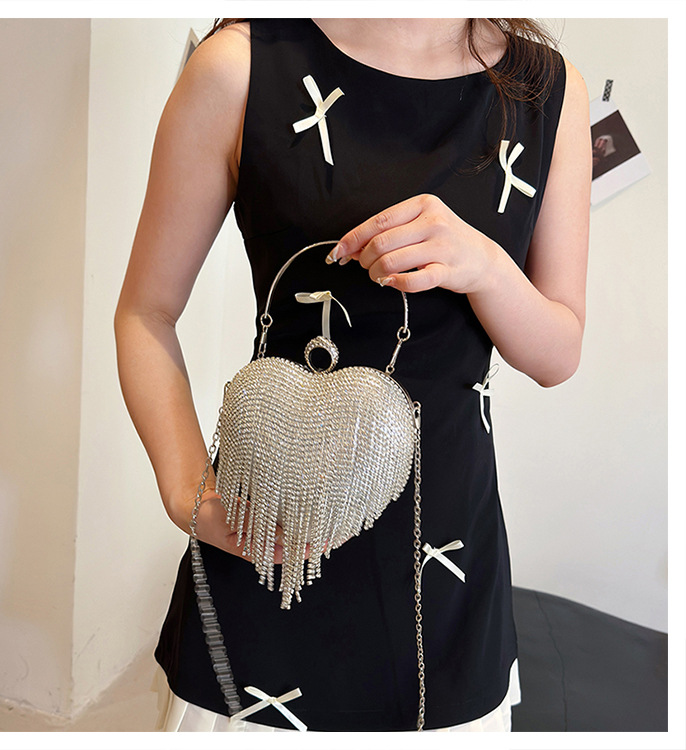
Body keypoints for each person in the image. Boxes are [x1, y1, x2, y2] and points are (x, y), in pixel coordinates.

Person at [114, 18, 591, 732]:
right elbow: (145, 313)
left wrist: (487, 267)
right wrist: (186, 491)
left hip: (446, 566)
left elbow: (558, 352)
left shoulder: (548, 92)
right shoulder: (240, 67)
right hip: (272, 533)